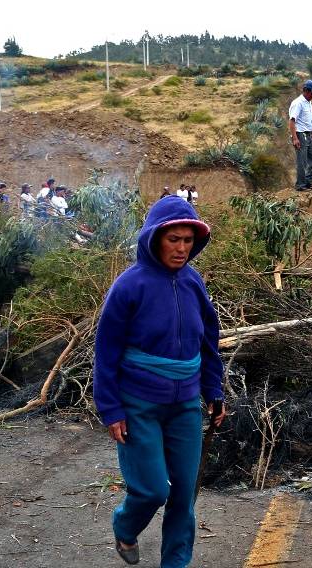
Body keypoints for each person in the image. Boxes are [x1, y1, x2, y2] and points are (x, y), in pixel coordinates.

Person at [94, 195, 225, 568]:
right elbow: (106, 351)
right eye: (174, 240)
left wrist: (213, 389)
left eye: (188, 241)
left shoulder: (193, 282)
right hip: (139, 404)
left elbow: (207, 340)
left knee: (184, 495)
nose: (182, 249)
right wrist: (111, 409)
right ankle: (125, 525)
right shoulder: (129, 286)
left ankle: (175, 563)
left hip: (185, 405)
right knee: (152, 490)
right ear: (154, 238)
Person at [288, 80, 312, 191]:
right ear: (306, 91)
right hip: (300, 134)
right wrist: (295, 138)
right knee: (302, 162)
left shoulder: (308, 102)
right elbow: (292, 121)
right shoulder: (298, 103)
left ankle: (307, 182)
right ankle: (300, 185)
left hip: (308, 135)